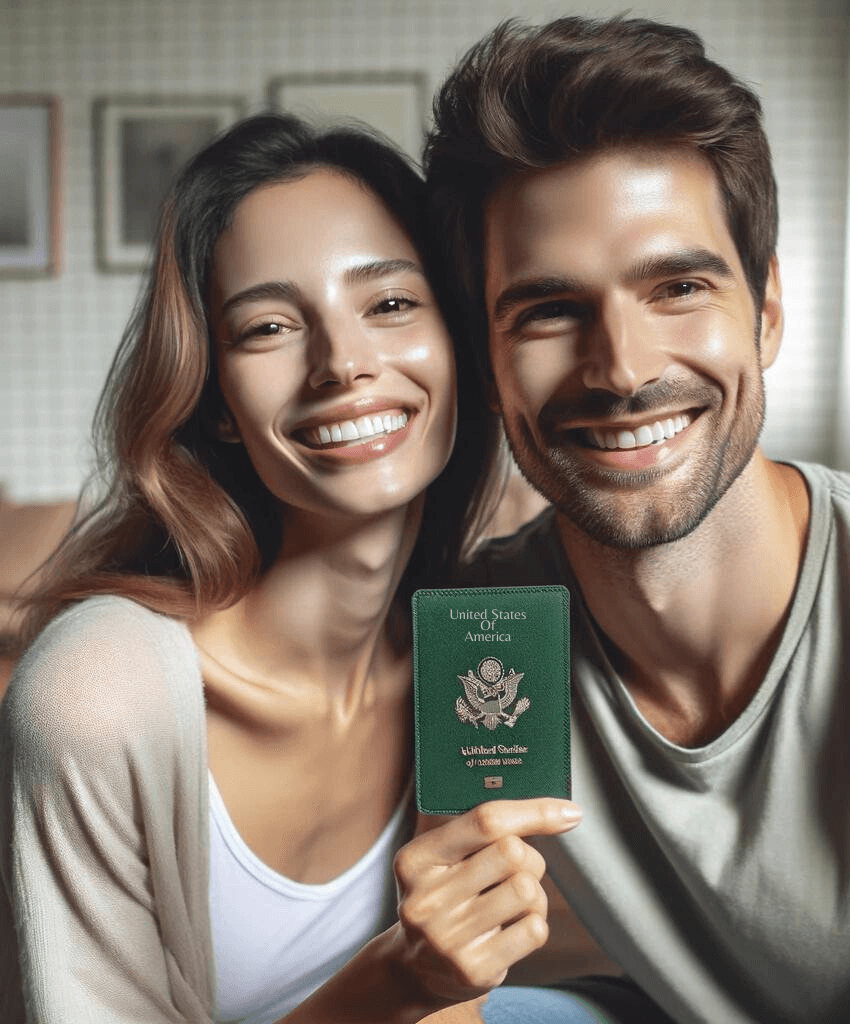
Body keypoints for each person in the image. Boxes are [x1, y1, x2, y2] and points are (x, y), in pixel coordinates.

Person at [424, 15, 850, 1023]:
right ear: (486, 362)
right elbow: (451, 978)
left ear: (768, 309)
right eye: (547, 309)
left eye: (679, 286)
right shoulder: (485, 631)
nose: (622, 367)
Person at [0, 112, 588, 1024]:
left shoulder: (469, 663)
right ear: (219, 402)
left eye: (390, 304)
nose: (344, 363)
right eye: (269, 326)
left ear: (461, 347)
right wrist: (396, 982)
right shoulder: (95, 695)